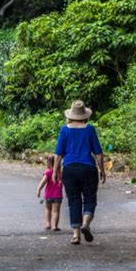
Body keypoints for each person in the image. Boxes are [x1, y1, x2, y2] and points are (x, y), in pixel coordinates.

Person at [53, 100, 106, 245]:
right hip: (88, 168)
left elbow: (58, 154)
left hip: (69, 169)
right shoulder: (90, 129)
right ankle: (86, 224)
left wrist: (55, 171)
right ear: (84, 115)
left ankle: (76, 235)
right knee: (90, 199)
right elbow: (98, 153)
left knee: (74, 201)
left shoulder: (65, 130)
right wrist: (102, 170)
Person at [37, 154, 63, 231]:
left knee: (48, 209)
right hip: (58, 196)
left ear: (49, 163)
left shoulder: (48, 172)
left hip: (48, 195)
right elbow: (66, 184)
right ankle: (55, 226)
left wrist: (39, 189)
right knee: (56, 211)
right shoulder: (61, 173)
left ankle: (48, 224)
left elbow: (43, 182)